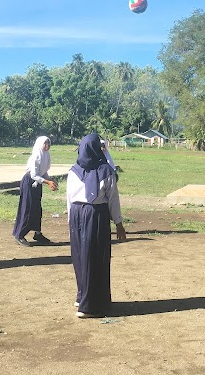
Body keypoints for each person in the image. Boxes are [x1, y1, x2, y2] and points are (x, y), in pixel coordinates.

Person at [67, 133, 126, 318]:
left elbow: (69, 199)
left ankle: (82, 295)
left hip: (76, 214)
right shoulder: (106, 171)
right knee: (95, 258)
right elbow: (113, 200)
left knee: (80, 257)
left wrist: (71, 221)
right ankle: (89, 306)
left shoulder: (73, 170)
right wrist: (119, 223)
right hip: (96, 214)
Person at [13, 136, 59, 246]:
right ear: (40, 144)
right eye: (45, 143)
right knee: (27, 208)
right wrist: (47, 182)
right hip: (29, 183)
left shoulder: (46, 155)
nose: (47, 146)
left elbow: (43, 172)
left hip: (37, 184)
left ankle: (37, 233)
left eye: (49, 143)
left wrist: (50, 179)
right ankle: (20, 234)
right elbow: (33, 175)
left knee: (37, 208)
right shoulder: (36, 156)